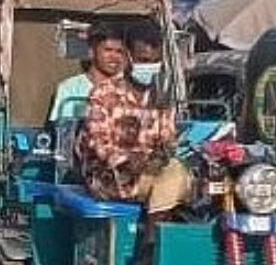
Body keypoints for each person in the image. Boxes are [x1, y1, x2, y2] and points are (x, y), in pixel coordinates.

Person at [78, 21, 191, 215]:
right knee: (172, 180)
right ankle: (152, 233)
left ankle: (154, 232)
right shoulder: (104, 94)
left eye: (154, 63)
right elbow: (101, 146)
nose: (149, 67)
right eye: (143, 61)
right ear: (128, 57)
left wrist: (158, 159)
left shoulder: (162, 97)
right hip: (110, 179)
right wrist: (132, 161)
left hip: (151, 176)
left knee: (182, 176)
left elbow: (167, 141)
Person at [49, 21, 127, 123]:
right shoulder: (70, 88)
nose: (114, 57)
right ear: (91, 52)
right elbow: (61, 130)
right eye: (108, 50)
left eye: (119, 51)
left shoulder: (129, 89)